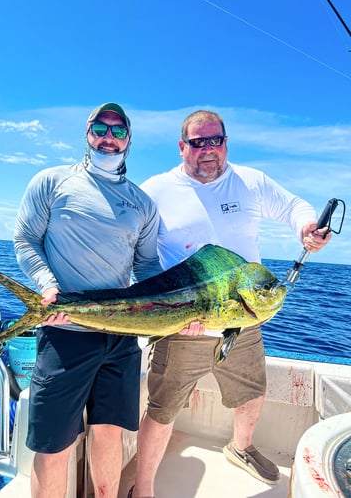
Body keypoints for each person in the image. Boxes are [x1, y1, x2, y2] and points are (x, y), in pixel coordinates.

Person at [128, 109, 331, 498]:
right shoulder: (155, 189)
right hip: (183, 320)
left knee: (252, 390)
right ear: (181, 146)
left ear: (226, 142)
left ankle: (241, 447)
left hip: (244, 316)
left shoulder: (248, 181)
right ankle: (145, 488)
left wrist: (307, 228)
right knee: (163, 408)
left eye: (216, 140)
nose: (208, 150)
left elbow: (294, 208)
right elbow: (131, 244)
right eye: (198, 142)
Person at [14, 102, 163, 498]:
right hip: (65, 335)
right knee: (52, 447)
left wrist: (176, 313)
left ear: (128, 140)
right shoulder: (51, 181)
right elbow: (25, 240)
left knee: (110, 434)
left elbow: (148, 267)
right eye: (100, 128)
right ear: (87, 133)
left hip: (120, 335)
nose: (107, 138)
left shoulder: (142, 203)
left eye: (117, 132)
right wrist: (47, 285)